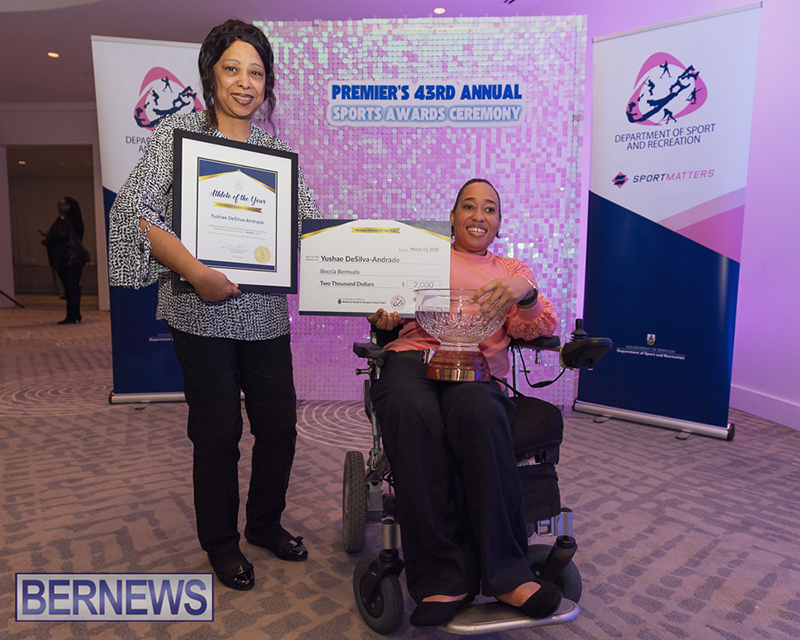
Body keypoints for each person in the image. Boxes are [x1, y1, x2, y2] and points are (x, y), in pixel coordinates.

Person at [107, 19, 321, 591]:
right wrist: (197, 273)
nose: (245, 82)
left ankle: (264, 523)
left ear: (267, 84)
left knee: (279, 427)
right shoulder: (177, 137)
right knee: (218, 433)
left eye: (256, 72)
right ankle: (222, 543)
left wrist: (363, 272)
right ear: (211, 75)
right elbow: (134, 213)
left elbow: (306, 231)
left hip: (264, 315)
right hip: (198, 311)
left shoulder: (278, 154)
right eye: (233, 69)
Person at [368, 178, 562, 626]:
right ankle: (442, 577)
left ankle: (508, 573)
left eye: (489, 208)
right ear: (452, 217)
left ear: (499, 222)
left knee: (480, 413)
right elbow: (387, 311)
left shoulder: (511, 271)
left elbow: (538, 327)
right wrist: (383, 319)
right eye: (469, 206)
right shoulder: (421, 254)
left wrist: (526, 294)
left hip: (475, 366)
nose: (479, 216)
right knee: (409, 410)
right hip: (414, 357)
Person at [40, 196, 90, 324]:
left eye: (61, 204)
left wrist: (48, 237)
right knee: (73, 287)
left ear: (68, 206)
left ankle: (72, 315)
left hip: (68, 257)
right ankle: (75, 314)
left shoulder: (63, 219)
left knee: (70, 287)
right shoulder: (75, 219)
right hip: (76, 257)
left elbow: (59, 235)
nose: (58, 207)